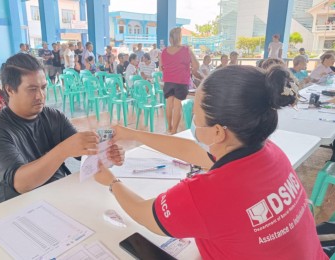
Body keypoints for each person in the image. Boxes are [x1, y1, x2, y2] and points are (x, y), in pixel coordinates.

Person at [94, 65, 328, 260]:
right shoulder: (268, 152)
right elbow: (194, 152)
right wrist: (133, 134)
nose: (193, 121)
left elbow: (145, 215)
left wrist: (111, 181)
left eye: (196, 115)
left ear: (217, 132)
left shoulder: (207, 193)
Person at [0, 53, 124, 204]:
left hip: (58, 196)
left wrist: (107, 153)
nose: (40, 96)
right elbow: (22, 183)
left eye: (43, 87)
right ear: (10, 90)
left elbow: (83, 152)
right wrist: (63, 150)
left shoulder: (53, 116)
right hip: (20, 209)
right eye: (32, 89)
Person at [160, 27, 200, 134]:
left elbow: (161, 67)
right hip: (181, 81)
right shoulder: (186, 49)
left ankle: (169, 127)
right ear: (180, 37)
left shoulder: (164, 51)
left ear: (170, 38)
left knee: (169, 104)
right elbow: (196, 66)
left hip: (168, 81)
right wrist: (190, 69)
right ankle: (174, 131)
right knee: (177, 106)